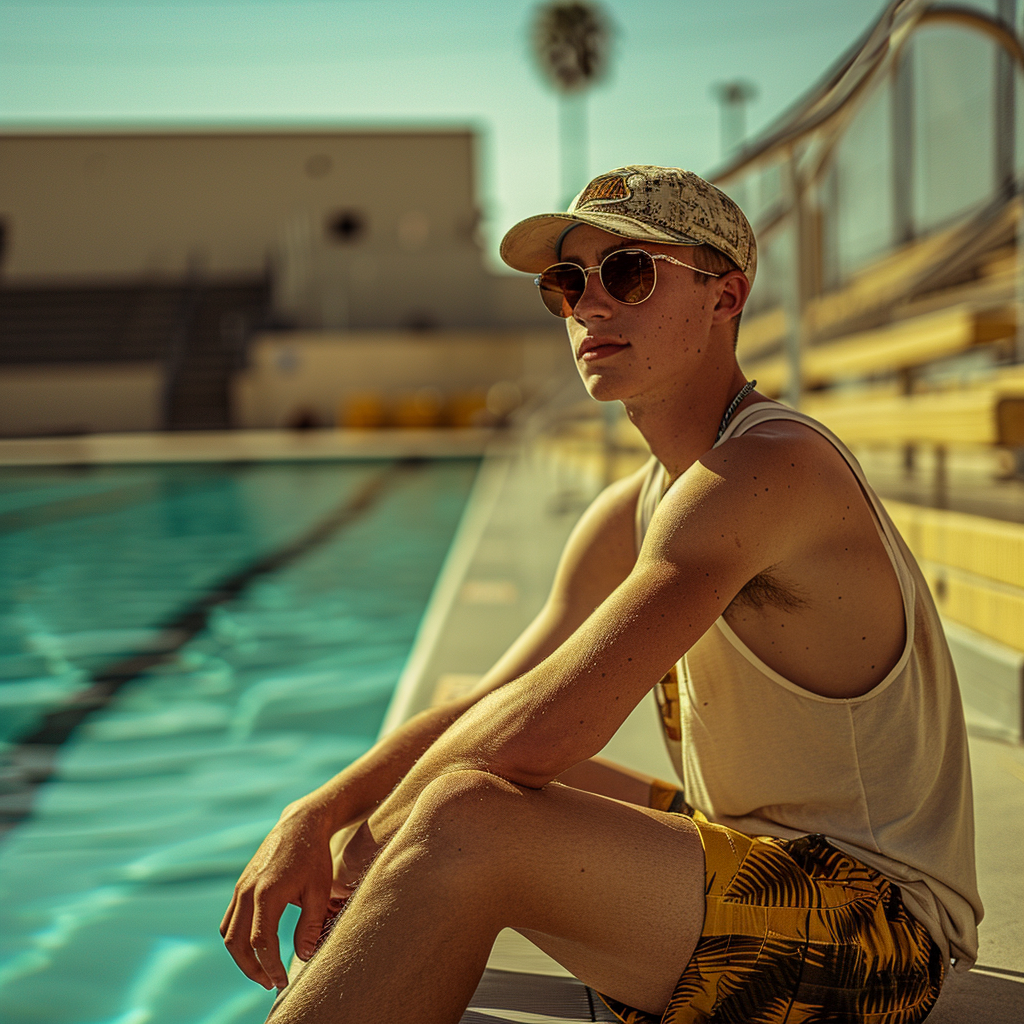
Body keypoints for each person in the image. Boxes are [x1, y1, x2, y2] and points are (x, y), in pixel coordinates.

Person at [221, 165, 982, 1024]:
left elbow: (540, 738)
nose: (590, 306)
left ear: (725, 296)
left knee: (470, 815)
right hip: (751, 853)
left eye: (628, 273)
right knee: (463, 752)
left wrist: (363, 856)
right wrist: (317, 812)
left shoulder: (769, 469)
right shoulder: (639, 505)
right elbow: (495, 703)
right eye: (567, 282)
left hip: (875, 937)